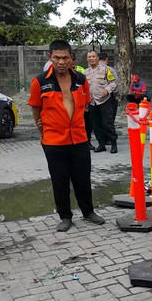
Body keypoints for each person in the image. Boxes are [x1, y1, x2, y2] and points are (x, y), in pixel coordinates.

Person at [28, 40, 105, 232]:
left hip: (79, 139)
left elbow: (85, 106)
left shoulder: (81, 80)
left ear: (71, 58)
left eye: (65, 58)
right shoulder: (40, 82)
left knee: (83, 178)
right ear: (50, 58)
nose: (61, 62)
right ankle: (65, 216)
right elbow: (36, 110)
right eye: (57, 58)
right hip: (53, 141)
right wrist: (43, 133)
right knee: (59, 180)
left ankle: (88, 212)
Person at [85, 50, 118, 154]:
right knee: (96, 124)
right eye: (89, 57)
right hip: (92, 101)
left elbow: (113, 83)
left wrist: (107, 90)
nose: (91, 58)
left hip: (105, 100)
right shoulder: (85, 72)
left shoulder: (105, 70)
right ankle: (101, 144)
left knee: (107, 122)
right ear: (87, 59)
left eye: (93, 56)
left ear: (97, 58)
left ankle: (113, 144)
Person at [70, 53, 93, 150]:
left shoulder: (81, 73)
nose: (71, 61)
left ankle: (87, 142)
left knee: (87, 124)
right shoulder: (60, 74)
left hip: (82, 105)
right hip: (69, 106)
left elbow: (86, 88)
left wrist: (86, 103)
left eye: (73, 59)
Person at [97, 51, 120, 121]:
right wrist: (116, 95)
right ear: (106, 59)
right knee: (109, 119)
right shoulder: (109, 69)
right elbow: (115, 83)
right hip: (109, 97)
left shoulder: (91, 70)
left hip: (95, 97)